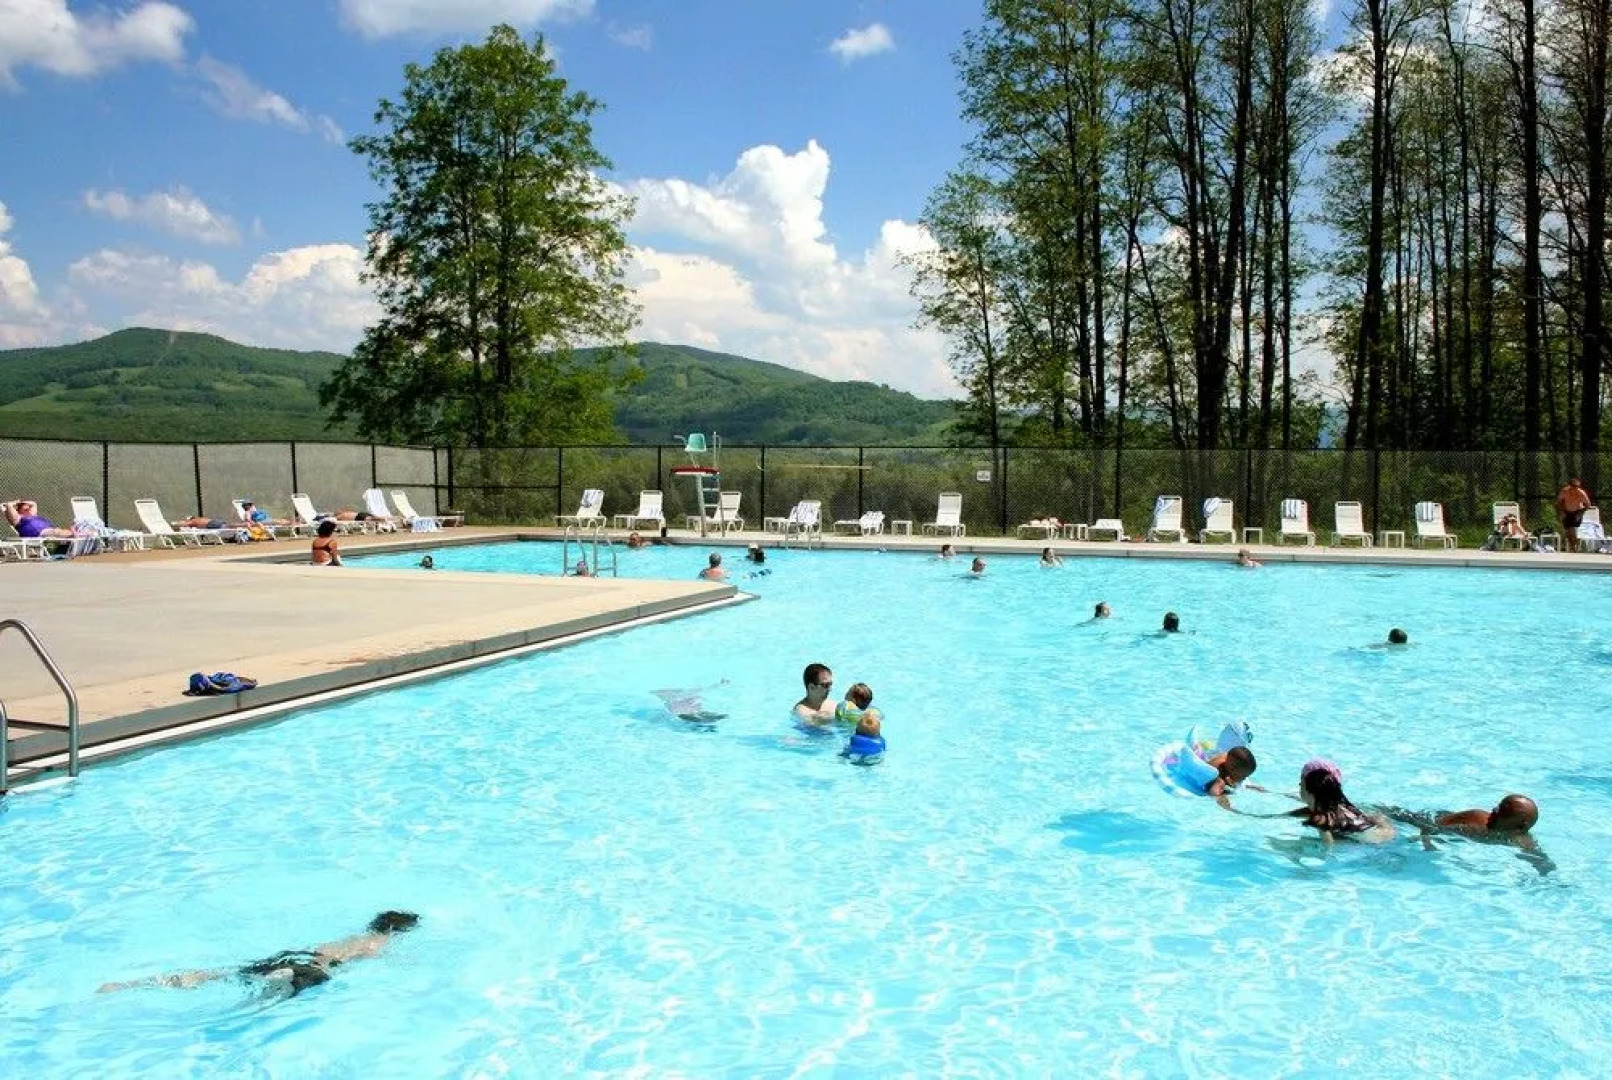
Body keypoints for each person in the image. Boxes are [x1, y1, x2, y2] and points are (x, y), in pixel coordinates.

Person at [99, 911, 420, 998]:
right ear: (396, 930)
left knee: (222, 975)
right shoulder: (377, 942)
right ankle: (283, 982)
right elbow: (370, 959)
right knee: (271, 996)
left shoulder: (346, 937)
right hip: (309, 968)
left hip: (292, 956)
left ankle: (130, 985)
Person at [1289, 759, 1395, 843]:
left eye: (1300, 785)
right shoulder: (1340, 805)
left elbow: (1329, 847)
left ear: (1310, 792)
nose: (1299, 787)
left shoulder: (1321, 819)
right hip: (1383, 830)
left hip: (1375, 842)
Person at [3, 498, 80, 540]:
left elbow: (34, 503)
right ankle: (74, 534)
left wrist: (23, 502)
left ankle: (80, 534)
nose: (29, 507)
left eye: (29, 507)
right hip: (37, 533)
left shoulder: (32, 515)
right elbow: (8, 505)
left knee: (57, 531)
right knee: (56, 532)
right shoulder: (18, 519)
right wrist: (16, 503)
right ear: (19, 510)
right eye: (25, 507)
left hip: (47, 530)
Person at [793, 662, 837, 727]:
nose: (830, 689)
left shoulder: (832, 705)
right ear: (811, 687)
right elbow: (814, 727)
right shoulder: (800, 711)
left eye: (830, 684)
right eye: (826, 685)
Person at [1556, 477, 1593, 550]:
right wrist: (1562, 511)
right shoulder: (1564, 491)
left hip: (1577, 511)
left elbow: (1588, 504)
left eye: (1577, 486)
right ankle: (1573, 544)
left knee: (1571, 528)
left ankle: (1574, 547)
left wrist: (1580, 513)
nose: (1575, 488)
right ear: (1570, 486)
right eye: (1573, 486)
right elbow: (1558, 502)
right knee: (1567, 532)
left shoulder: (1581, 493)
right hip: (1567, 511)